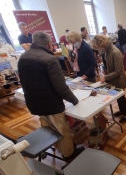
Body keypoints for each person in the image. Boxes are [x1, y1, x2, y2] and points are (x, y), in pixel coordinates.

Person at [18, 31, 84, 161]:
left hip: (33, 102)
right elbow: (60, 87)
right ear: (49, 44)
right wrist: (74, 100)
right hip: (51, 104)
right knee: (63, 130)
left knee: (48, 126)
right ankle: (69, 154)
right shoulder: (49, 60)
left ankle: (55, 145)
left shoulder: (23, 57)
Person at [91, 35, 126, 123]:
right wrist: (105, 71)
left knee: (121, 97)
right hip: (112, 78)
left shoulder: (115, 52)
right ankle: (121, 111)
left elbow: (119, 71)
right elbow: (106, 64)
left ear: (102, 44)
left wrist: (105, 77)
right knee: (118, 97)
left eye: (98, 47)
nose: (98, 49)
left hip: (119, 80)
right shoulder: (105, 51)